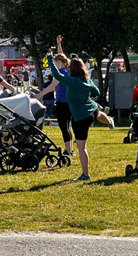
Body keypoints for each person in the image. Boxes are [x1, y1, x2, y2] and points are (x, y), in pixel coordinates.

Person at [48, 51, 100, 181]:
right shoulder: (87, 81)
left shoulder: (72, 81)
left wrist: (50, 58)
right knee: (98, 112)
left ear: (73, 69)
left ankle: (85, 175)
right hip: (92, 112)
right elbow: (96, 92)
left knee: (82, 148)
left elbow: (57, 75)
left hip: (81, 116)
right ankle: (109, 121)